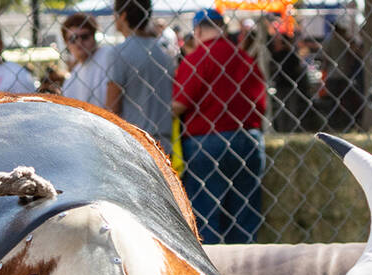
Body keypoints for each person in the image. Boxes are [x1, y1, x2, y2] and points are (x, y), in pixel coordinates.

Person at [172, 8, 267, 244]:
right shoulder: (244, 58)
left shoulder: (197, 59)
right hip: (248, 138)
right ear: (222, 27)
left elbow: (179, 104)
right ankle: (245, 272)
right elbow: (261, 102)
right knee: (245, 216)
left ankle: (212, 273)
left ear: (198, 30)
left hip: (207, 141)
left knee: (206, 217)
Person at [105, 0, 175, 154]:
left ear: (122, 16)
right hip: (163, 143)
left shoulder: (119, 53)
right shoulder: (163, 53)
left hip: (134, 143)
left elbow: (112, 107)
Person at [59, 13, 110, 106]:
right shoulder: (72, 79)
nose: (79, 42)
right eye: (73, 39)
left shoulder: (109, 56)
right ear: (66, 43)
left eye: (84, 36)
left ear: (94, 36)